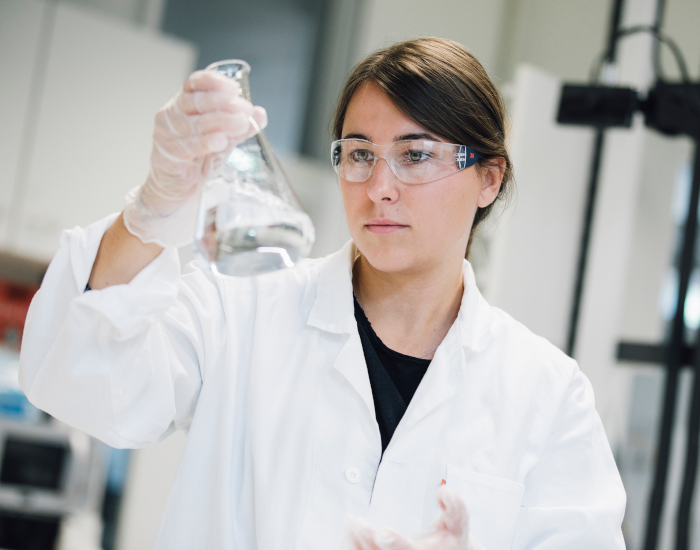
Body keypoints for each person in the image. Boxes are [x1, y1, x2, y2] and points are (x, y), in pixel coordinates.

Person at [19, 38, 626, 550]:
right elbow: (79, 380)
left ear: (488, 179)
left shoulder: (548, 395)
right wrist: (151, 212)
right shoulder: (241, 310)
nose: (379, 187)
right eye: (360, 154)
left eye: (415, 155)